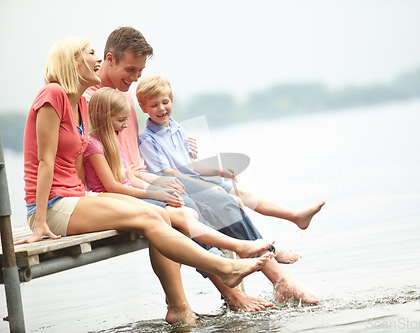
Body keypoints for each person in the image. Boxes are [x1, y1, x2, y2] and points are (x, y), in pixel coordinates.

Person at [16, 36, 274, 325]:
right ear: (71, 60)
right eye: (90, 53)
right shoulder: (52, 94)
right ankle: (225, 266)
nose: (98, 59)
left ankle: (182, 304)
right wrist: (39, 223)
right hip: (54, 206)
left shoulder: (77, 106)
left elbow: (77, 171)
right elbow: (44, 162)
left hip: (75, 199)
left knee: (160, 214)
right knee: (152, 219)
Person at [89, 26, 320, 307]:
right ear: (109, 60)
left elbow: (133, 146)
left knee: (224, 198)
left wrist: (184, 151)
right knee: (190, 209)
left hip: (144, 176)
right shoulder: (91, 97)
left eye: (140, 71)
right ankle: (237, 289)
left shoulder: (124, 92)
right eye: (131, 70)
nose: (136, 78)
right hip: (133, 183)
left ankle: (278, 280)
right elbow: (97, 155)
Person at [84, 87, 275, 260]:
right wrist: (155, 193)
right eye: (121, 120)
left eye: (126, 119)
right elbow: (113, 186)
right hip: (113, 199)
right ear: (103, 118)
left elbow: (131, 178)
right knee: (183, 214)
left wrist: (159, 188)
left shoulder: (114, 141)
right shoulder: (94, 146)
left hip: (131, 194)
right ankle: (225, 249)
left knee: (189, 203)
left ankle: (227, 249)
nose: (125, 126)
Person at [136, 75, 325, 231]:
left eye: (165, 102)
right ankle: (249, 248)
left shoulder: (178, 129)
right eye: (154, 105)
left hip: (195, 182)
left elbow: (191, 167)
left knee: (241, 192)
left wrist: (218, 171)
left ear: (172, 101)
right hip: (182, 189)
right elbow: (168, 173)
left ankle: (295, 217)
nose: (161, 108)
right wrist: (204, 185)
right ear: (144, 108)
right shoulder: (148, 140)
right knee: (232, 200)